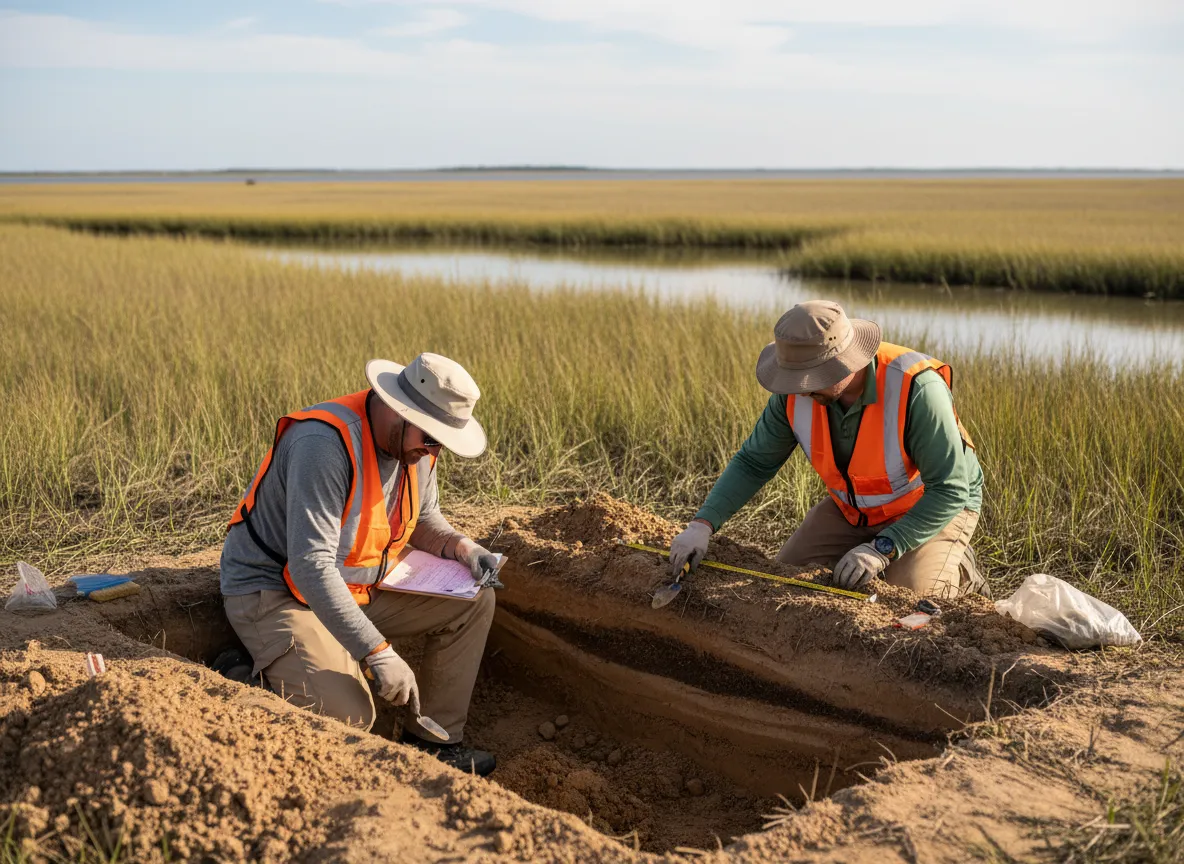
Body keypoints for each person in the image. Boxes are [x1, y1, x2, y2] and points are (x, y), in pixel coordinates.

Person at [219, 353, 499, 775]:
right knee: (349, 721)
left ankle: (432, 745)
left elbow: (423, 519)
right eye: (430, 438)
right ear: (400, 411)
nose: (432, 450)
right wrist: (377, 651)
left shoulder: (416, 447)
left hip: (354, 585)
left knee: (474, 601)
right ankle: (241, 676)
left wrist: (463, 548)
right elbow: (311, 565)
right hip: (277, 592)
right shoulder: (323, 444)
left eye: (440, 442)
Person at [669, 301, 986, 598]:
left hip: (929, 510)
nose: (800, 389)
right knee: (782, 581)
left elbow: (949, 490)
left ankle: (960, 569)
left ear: (845, 363)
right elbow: (754, 462)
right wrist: (702, 525)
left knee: (912, 601)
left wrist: (884, 546)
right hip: (852, 511)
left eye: (809, 379)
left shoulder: (916, 389)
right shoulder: (794, 393)